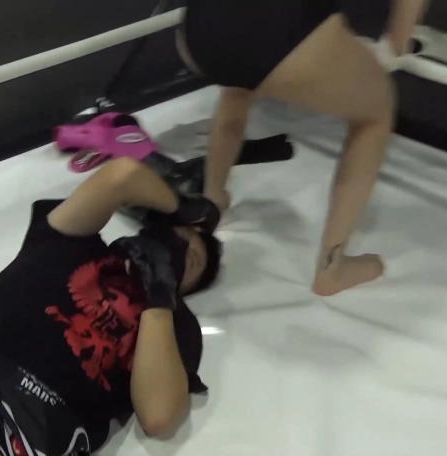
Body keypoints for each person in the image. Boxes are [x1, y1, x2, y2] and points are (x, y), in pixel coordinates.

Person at [0, 157, 223, 456]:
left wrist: (159, 295)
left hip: (47, 436)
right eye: (177, 239)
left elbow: (159, 416)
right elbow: (121, 175)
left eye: (189, 261)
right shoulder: (71, 244)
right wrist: (183, 208)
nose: (178, 251)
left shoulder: (173, 328)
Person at [176, 0, 431, 296]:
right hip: (279, 26)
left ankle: (213, 200)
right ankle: (332, 269)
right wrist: (394, 47)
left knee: (239, 87)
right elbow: (397, 40)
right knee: (375, 115)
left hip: (200, 30)